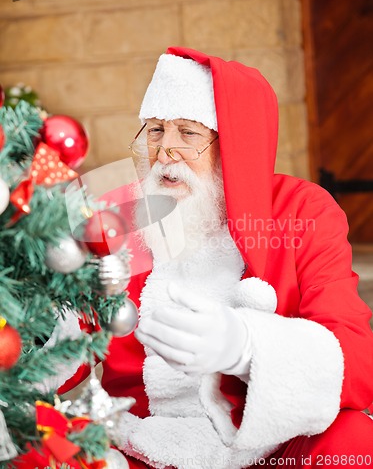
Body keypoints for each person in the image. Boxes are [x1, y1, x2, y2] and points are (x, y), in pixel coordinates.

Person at [60, 47, 373, 468]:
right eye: (155, 130)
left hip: (272, 446)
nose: (164, 150)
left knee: (353, 442)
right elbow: (64, 350)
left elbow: (356, 362)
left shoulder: (300, 211)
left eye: (188, 133)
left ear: (234, 145)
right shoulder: (119, 216)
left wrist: (247, 348)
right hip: (143, 445)